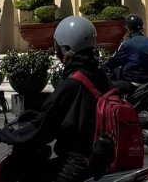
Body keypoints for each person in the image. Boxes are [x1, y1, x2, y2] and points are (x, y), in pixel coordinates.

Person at [28, 15, 113, 182]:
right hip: (102, 157)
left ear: (66, 48)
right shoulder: (100, 75)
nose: (57, 51)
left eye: (59, 47)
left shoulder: (72, 83)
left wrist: (9, 136)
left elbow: (46, 123)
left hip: (78, 163)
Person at [103, 14, 148, 88]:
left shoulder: (127, 44)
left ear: (128, 29)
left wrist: (104, 67)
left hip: (133, 82)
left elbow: (114, 61)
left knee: (105, 86)